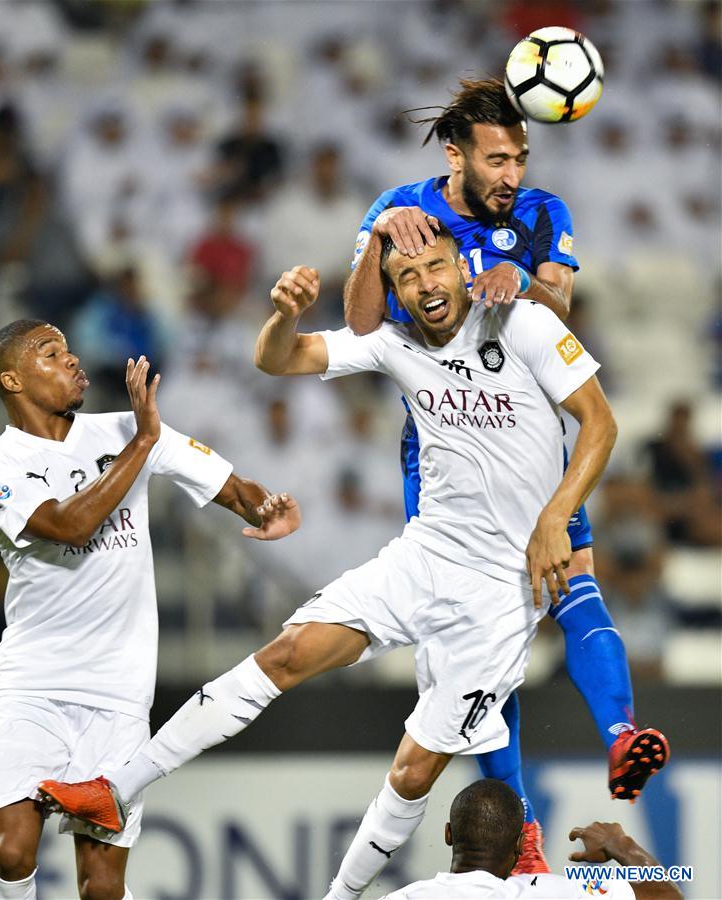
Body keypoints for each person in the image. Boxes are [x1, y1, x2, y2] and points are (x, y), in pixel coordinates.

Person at [39, 224, 618, 899]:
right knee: (286, 653)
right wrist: (285, 315)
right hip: (426, 557)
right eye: (407, 276)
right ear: (395, 292)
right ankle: (116, 790)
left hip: (500, 594)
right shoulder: (393, 341)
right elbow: (275, 360)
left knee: (412, 772)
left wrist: (555, 517)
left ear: (463, 268)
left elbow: (600, 423)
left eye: (435, 267)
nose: (425, 284)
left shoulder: (521, 325)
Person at [343, 78, 669, 868]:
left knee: (574, 579)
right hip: (445, 453)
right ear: (455, 155)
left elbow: (561, 306)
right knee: (486, 643)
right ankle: (522, 833)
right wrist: (377, 241)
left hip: (530, 441)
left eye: (520, 158)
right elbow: (358, 323)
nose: (512, 175)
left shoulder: (543, 214)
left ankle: (622, 736)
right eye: (497, 160)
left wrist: (526, 282)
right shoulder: (402, 210)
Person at [0, 319, 301, 900]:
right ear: (11, 380)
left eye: (69, 349)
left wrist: (266, 509)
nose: (71, 359)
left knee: (101, 886)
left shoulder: (126, 428)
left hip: (119, 693)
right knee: (11, 853)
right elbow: (68, 525)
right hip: (34, 685)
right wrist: (142, 442)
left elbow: (235, 488)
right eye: (51, 352)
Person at [380, 779, 682, 899]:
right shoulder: (553, 893)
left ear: (449, 834)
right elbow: (666, 896)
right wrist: (620, 844)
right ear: (520, 845)